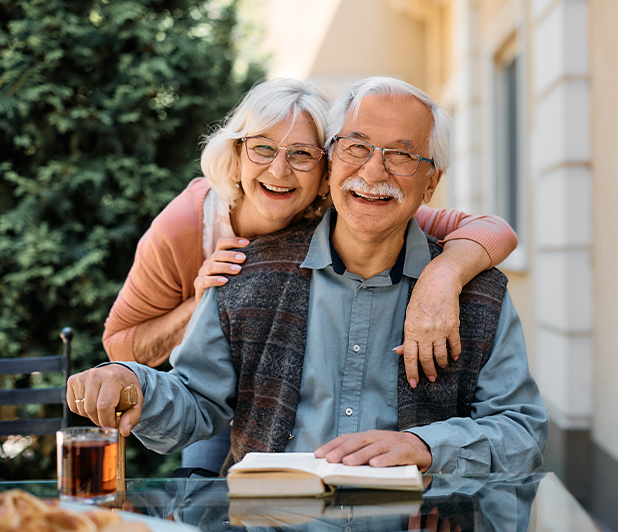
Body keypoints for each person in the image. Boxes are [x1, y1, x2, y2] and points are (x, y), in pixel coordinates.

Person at [74, 76, 546, 476]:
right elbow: (195, 400)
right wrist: (130, 380)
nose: (373, 170)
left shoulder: (478, 294)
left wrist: (429, 447)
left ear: (431, 181)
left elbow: (522, 432)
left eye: (401, 156)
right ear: (334, 160)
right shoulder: (241, 271)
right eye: (357, 147)